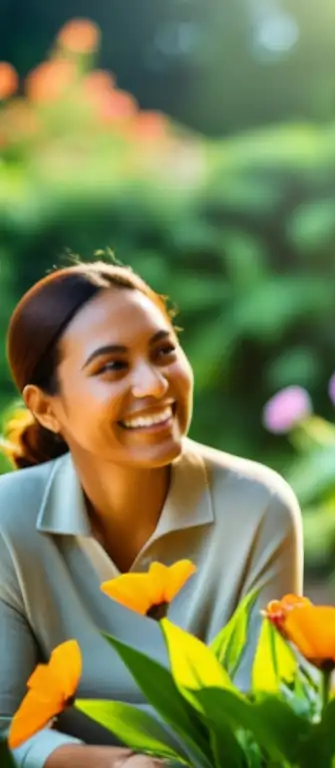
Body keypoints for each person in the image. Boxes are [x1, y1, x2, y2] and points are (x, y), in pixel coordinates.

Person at [0, 262, 303, 768]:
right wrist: (122, 766)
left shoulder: (257, 507)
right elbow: (6, 728)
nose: (155, 384)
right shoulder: (8, 520)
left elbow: (269, 718)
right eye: (112, 366)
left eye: (164, 352)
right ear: (46, 409)